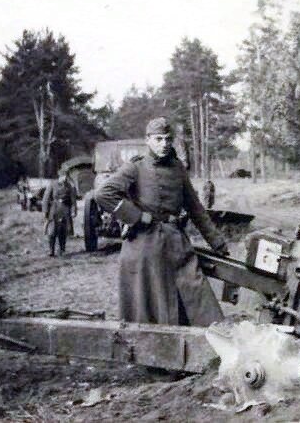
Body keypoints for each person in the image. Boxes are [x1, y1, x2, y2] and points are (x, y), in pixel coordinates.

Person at [94, 117, 230, 326]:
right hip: (145, 246)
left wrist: (217, 242)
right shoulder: (135, 168)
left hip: (177, 244)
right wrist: (137, 217)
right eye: (158, 139)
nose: (164, 144)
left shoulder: (178, 169)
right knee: (151, 307)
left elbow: (195, 208)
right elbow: (104, 194)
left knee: (198, 298)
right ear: (147, 140)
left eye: (168, 139)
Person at [43, 173, 77, 257]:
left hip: (65, 210)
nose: (65, 178)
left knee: (63, 231)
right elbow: (46, 198)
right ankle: (51, 250)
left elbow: (73, 200)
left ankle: (62, 250)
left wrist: (73, 211)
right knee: (52, 232)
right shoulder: (52, 185)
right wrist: (45, 211)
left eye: (66, 177)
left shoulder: (69, 187)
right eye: (63, 176)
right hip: (54, 210)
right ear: (60, 177)